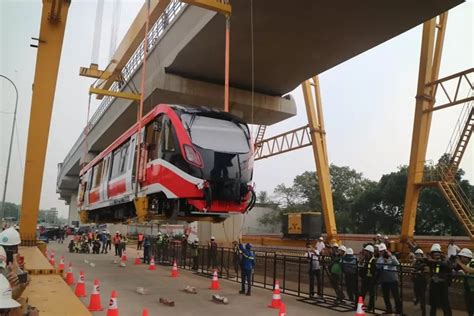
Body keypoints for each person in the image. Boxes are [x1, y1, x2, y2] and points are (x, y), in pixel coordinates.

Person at [427, 243, 452, 316]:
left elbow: (446, 265)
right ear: (432, 254)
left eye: (438, 253)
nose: (437, 254)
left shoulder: (445, 260)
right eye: (435, 253)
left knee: (445, 304)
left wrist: (440, 279)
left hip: (443, 286)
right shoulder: (430, 261)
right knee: (433, 305)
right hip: (434, 285)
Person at [376, 243, 402, 314]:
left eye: (382, 251)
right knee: (386, 296)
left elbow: (397, 264)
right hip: (384, 280)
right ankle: (389, 310)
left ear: (385, 251)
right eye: (380, 251)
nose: (381, 252)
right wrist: (383, 261)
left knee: (396, 296)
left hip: (393, 280)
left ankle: (399, 311)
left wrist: (390, 256)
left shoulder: (392, 257)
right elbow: (377, 267)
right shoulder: (379, 259)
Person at [455, 248, 474, 315]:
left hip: (473, 291)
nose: (460, 259)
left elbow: (471, 270)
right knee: (470, 310)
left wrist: (460, 263)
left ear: (466, 257)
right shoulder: (464, 265)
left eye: (461, 257)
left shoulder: (472, 262)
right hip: (468, 291)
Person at [359, 244, 376, 312]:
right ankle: (360, 306)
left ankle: (370, 307)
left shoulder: (373, 260)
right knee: (362, 293)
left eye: (366, 251)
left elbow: (373, 271)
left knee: (371, 294)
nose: (364, 252)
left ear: (369, 252)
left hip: (370, 280)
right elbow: (362, 267)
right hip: (365, 279)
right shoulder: (365, 259)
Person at [412, 248, 428, 316]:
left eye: (419, 255)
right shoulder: (415, 262)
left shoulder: (424, 262)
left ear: (421, 255)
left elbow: (425, 270)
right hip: (416, 281)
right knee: (416, 292)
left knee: (422, 296)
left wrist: (419, 272)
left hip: (422, 281)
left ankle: (423, 311)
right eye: (417, 255)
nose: (418, 256)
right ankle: (417, 299)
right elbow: (413, 269)